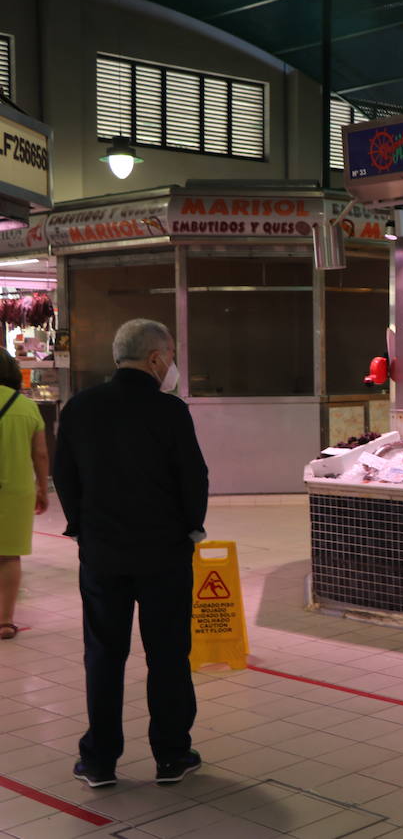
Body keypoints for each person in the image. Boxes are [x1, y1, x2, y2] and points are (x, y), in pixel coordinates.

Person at [53, 319, 208, 789]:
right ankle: (172, 755)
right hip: (163, 556)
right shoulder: (169, 411)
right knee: (167, 655)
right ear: (157, 358)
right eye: (171, 356)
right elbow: (193, 477)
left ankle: (100, 761)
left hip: (103, 555)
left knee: (103, 654)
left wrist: (82, 527)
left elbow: (65, 474)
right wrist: (191, 528)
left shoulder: (80, 408)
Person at [0, 349, 47, 640]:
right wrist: (43, 488)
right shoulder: (27, 407)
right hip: (16, 490)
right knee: (8, 556)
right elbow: (40, 453)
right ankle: (5, 620)